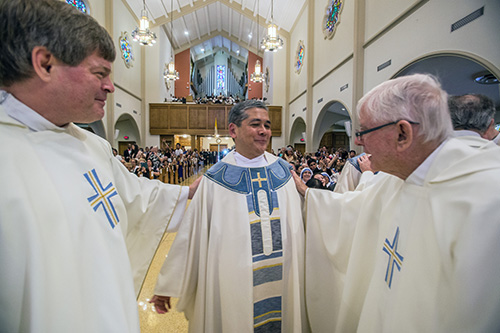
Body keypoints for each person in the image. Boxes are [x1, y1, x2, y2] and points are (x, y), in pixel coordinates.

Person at [0, 1, 200, 331]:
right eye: (100, 73)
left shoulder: (93, 145)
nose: (109, 86)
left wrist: (190, 194)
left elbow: (139, 197)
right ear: (45, 64)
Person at [293, 74, 500, 332]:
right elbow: (353, 210)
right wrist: (310, 194)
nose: (358, 142)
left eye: (363, 131)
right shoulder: (398, 178)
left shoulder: (484, 201)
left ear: (403, 133)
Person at [151, 100, 309, 332]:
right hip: (234, 283)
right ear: (233, 130)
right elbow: (192, 234)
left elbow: (304, 221)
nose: (264, 131)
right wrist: (169, 283)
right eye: (255, 124)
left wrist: (308, 195)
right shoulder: (215, 179)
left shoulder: (284, 172)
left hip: (285, 278)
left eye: (267, 124)